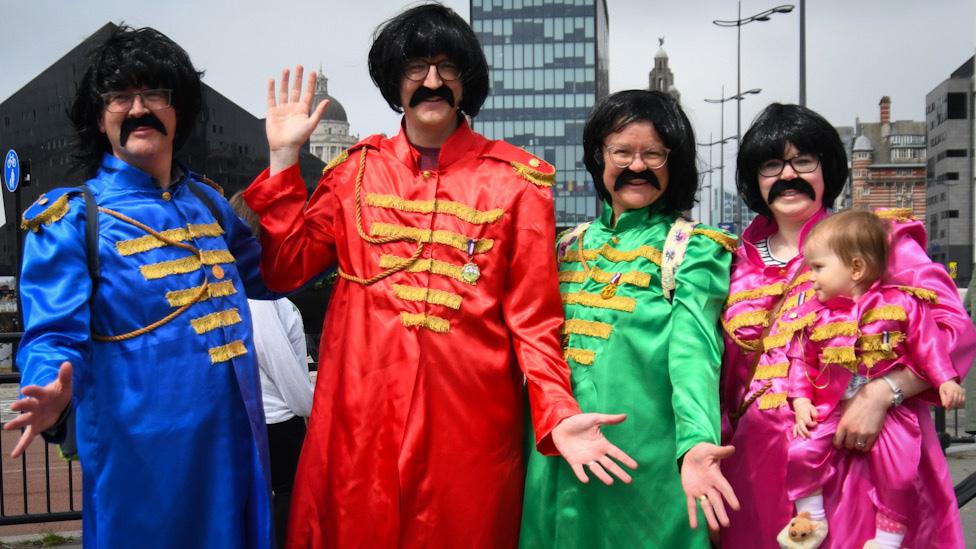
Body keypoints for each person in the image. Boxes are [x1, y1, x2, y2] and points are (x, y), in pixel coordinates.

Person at [242, 4, 634, 547]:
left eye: (447, 67)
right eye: (416, 67)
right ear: (392, 81)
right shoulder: (356, 171)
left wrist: (556, 412)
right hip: (359, 423)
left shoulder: (516, 182)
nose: (432, 81)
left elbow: (534, 323)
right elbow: (284, 270)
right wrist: (284, 160)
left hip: (469, 429)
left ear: (467, 79)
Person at [3, 26, 274, 548]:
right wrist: (54, 389)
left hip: (237, 451)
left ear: (180, 111)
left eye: (155, 93)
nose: (137, 109)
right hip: (145, 466)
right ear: (98, 116)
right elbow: (54, 337)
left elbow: (277, 274)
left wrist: (283, 162)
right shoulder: (70, 219)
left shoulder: (211, 205)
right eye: (120, 96)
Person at [719, 103, 976, 548]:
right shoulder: (729, 262)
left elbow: (951, 329)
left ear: (827, 169)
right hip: (754, 470)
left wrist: (883, 391)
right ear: (753, 179)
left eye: (803, 161)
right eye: (771, 164)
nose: (787, 175)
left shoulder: (876, 241)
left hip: (856, 462)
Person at [520, 90, 740, 548]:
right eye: (622, 151)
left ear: (672, 163)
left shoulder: (692, 247)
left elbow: (694, 354)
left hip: (643, 469)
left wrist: (697, 444)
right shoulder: (567, 245)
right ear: (599, 157)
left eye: (653, 154)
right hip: (555, 456)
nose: (636, 166)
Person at [770, 210, 964, 549]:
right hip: (828, 408)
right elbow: (800, 360)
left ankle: (889, 539)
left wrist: (945, 379)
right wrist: (800, 401)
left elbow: (930, 344)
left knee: (899, 473)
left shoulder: (902, 302)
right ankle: (811, 518)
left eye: (817, 268)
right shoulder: (815, 314)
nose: (811, 278)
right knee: (801, 451)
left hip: (894, 414)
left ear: (856, 268)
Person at [230, 192, 314, 549]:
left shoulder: (237, 285)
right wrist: (314, 406)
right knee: (286, 517)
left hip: (261, 419)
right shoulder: (261, 295)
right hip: (279, 422)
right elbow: (281, 364)